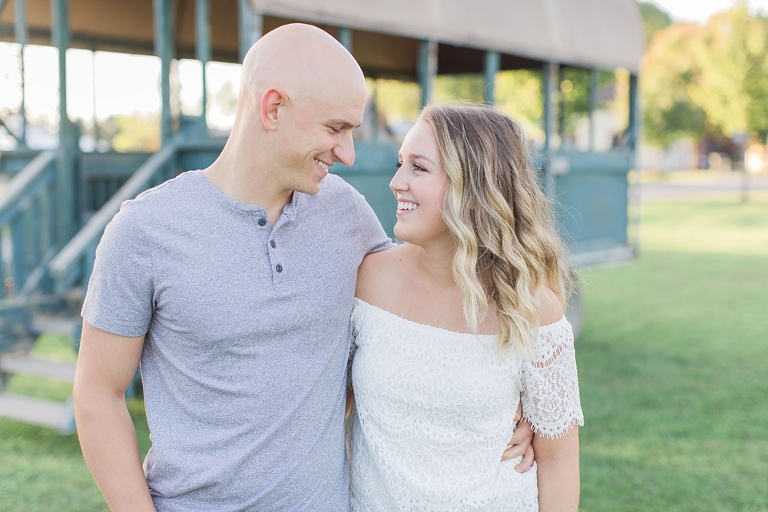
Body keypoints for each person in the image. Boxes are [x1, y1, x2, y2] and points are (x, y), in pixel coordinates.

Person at [72, 24, 533, 511]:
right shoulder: (145, 230)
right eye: (336, 129)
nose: (348, 153)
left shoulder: (347, 214)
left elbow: (431, 305)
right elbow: (98, 393)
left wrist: (512, 400)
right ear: (273, 108)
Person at [347, 102, 584, 511]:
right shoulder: (367, 279)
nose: (396, 182)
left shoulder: (530, 307)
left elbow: (559, 458)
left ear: (473, 184)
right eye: (400, 163)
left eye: (418, 168)